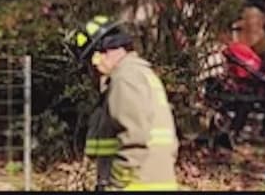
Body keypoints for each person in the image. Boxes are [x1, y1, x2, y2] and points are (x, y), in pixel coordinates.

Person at [64, 15, 179, 191]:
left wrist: (116, 184)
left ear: (98, 55)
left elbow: (135, 138)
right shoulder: (139, 74)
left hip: (134, 185)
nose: (91, 72)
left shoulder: (125, 79)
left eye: (88, 64)